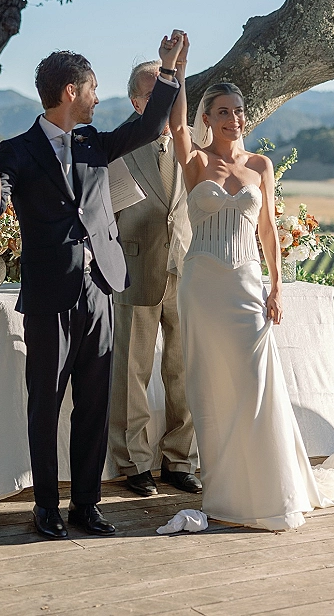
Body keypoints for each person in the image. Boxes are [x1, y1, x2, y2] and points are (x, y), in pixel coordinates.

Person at [170, 34, 334, 531]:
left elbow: (267, 230)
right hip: (201, 286)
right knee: (210, 388)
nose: (233, 118)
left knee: (256, 385)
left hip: (246, 285)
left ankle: (269, 487)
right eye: (222, 111)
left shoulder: (261, 166)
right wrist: (176, 73)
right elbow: (174, 124)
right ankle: (223, 489)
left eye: (238, 111)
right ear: (208, 118)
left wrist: (277, 287)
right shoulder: (197, 162)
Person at [0, 32, 184, 540]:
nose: (97, 97)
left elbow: (152, 122)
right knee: (44, 404)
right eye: (91, 88)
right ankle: (45, 507)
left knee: (94, 402)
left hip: (101, 289)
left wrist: (168, 71)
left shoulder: (96, 143)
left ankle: (85, 506)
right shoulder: (17, 151)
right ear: (71, 91)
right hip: (49, 297)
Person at [109, 60, 200, 498]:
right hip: (135, 269)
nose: (162, 103)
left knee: (184, 373)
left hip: (187, 272)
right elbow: (105, 217)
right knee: (132, 374)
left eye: (169, 91)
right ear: (136, 102)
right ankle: (135, 464)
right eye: (152, 94)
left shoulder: (191, 145)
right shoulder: (118, 148)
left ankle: (181, 461)